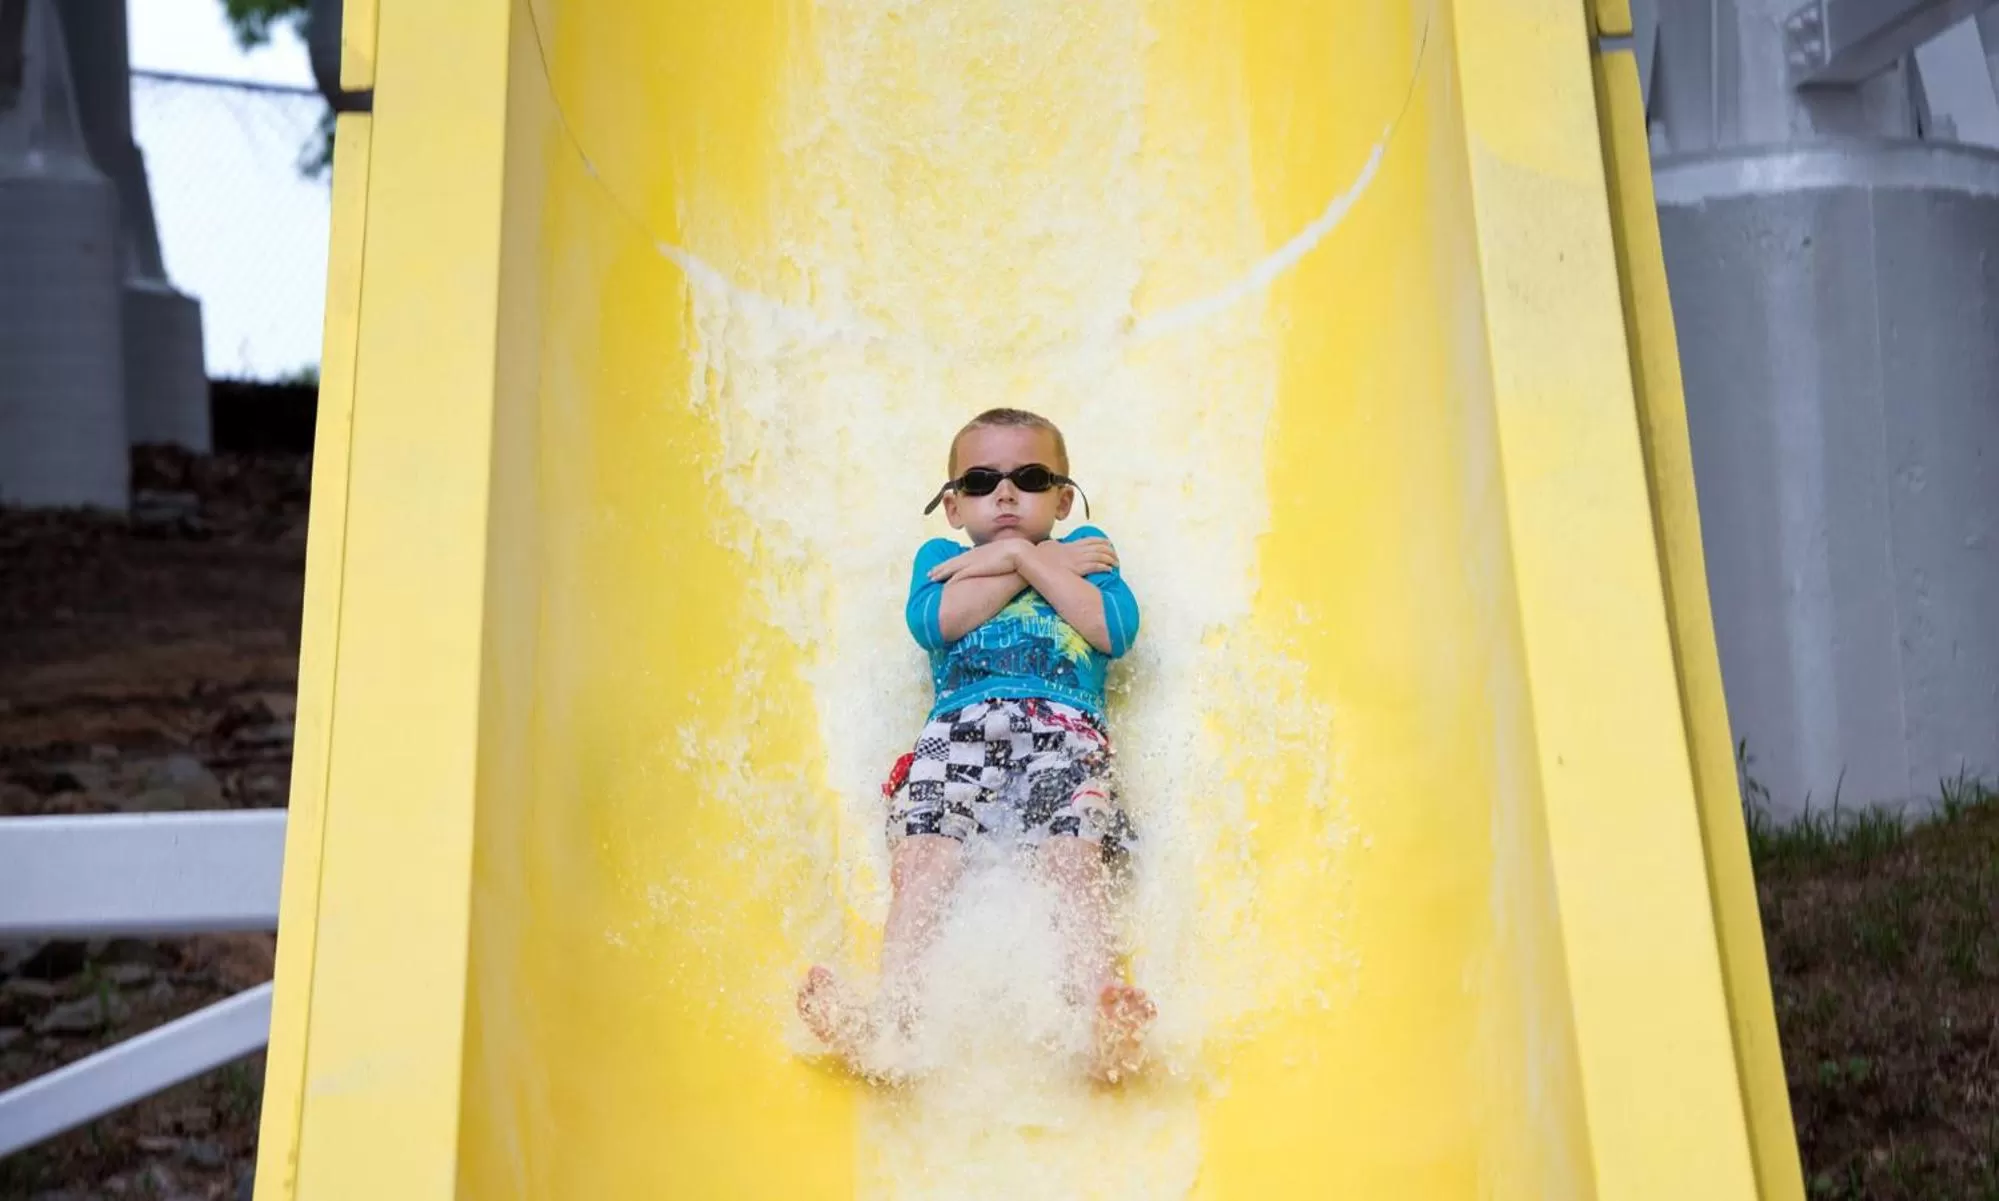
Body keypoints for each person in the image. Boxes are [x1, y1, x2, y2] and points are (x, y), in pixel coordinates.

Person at [797, 407, 1154, 1084]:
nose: (1007, 493)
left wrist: (1016, 557)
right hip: (957, 731)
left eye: (1030, 477)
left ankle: (1097, 1016)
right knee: (923, 861)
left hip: (1064, 728)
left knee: (1071, 860)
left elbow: (1111, 628)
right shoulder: (939, 559)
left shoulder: (1092, 549)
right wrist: (1033, 557)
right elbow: (935, 621)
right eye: (984, 480)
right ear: (954, 505)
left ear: (1063, 498)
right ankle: (891, 1024)